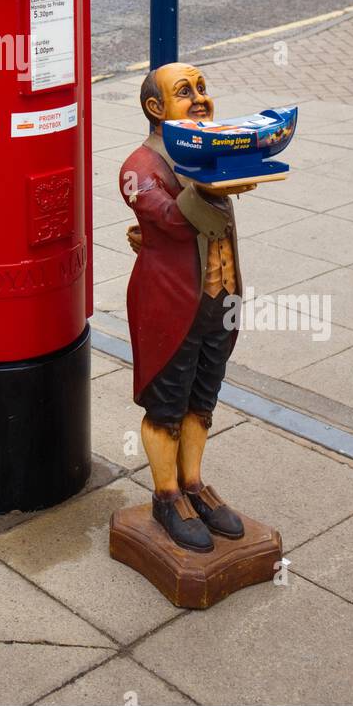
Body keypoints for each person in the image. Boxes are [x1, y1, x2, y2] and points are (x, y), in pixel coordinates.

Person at [119, 63, 256, 552]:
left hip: (221, 299)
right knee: (167, 405)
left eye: (202, 88)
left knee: (204, 399)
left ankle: (193, 483)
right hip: (171, 307)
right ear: (156, 109)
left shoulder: (209, 151)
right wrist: (211, 187)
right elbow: (171, 219)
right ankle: (166, 494)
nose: (200, 98)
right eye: (184, 92)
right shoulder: (140, 166)